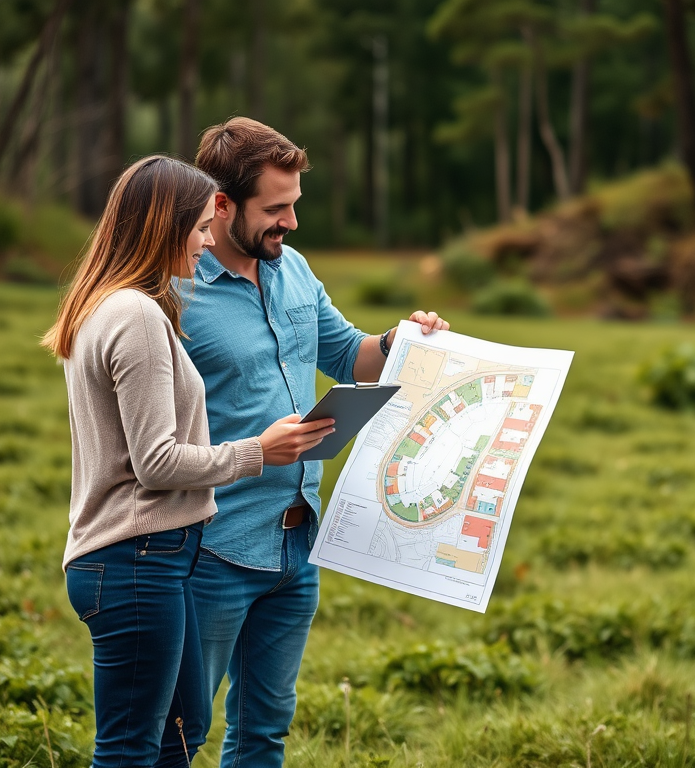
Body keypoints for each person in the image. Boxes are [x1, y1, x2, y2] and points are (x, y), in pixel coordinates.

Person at [171, 117, 449, 767]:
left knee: (265, 732)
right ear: (220, 205)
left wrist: (403, 338)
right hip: (211, 550)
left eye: (294, 206)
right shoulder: (174, 293)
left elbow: (352, 357)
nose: (291, 223)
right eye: (276, 209)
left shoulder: (293, 270)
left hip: (299, 546)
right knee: (181, 735)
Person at [42, 155, 335, 768]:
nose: (206, 242)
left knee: (174, 736)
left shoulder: (109, 306)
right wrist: (260, 451)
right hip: (140, 554)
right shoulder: (140, 315)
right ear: (164, 226)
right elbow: (154, 462)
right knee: (136, 747)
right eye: (201, 226)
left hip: (138, 554)